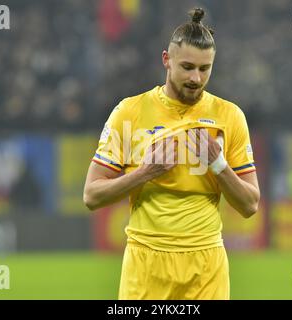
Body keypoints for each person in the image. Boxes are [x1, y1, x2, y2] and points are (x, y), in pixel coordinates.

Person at [83, 8, 260, 300]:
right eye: (187, 67)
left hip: (206, 268)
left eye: (205, 69)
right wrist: (145, 172)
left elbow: (250, 205)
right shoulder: (130, 112)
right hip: (146, 265)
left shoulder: (229, 117)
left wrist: (218, 165)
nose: (196, 78)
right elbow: (92, 196)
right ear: (166, 60)